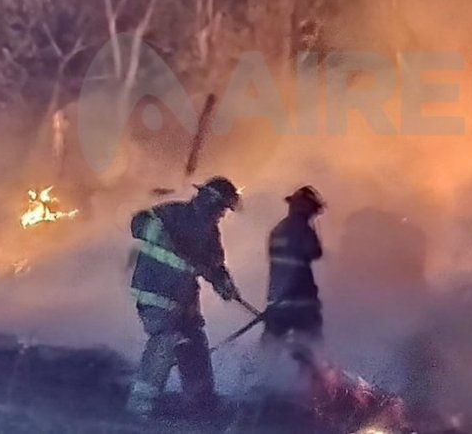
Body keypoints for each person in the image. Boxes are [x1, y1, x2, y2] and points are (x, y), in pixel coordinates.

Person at [125, 176, 243, 419]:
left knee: (195, 343)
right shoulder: (173, 214)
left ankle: (201, 405)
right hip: (155, 293)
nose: (223, 214)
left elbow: (213, 265)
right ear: (210, 201)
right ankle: (139, 409)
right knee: (166, 339)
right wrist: (160, 235)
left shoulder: (210, 233)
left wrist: (224, 283)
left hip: (183, 300)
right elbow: (138, 223)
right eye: (222, 208)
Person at [264, 185, 325, 345]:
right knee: (311, 350)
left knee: (270, 349)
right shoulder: (303, 229)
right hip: (302, 301)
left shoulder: (278, 230)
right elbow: (315, 252)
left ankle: (259, 370)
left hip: (277, 301)